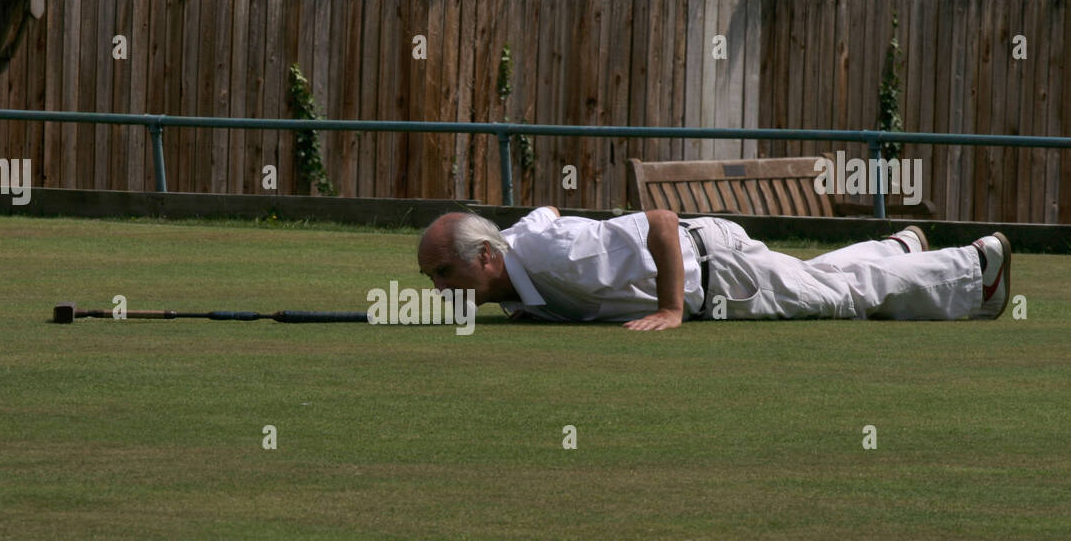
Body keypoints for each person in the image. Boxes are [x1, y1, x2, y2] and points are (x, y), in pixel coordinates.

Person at [416, 208, 1012, 329]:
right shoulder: (518, 265)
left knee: (843, 299)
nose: (440, 289)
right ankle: (899, 248)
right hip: (713, 261)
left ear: (487, 256)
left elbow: (661, 223)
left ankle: (975, 271)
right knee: (820, 279)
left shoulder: (555, 256)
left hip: (716, 272)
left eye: (443, 273)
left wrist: (672, 309)